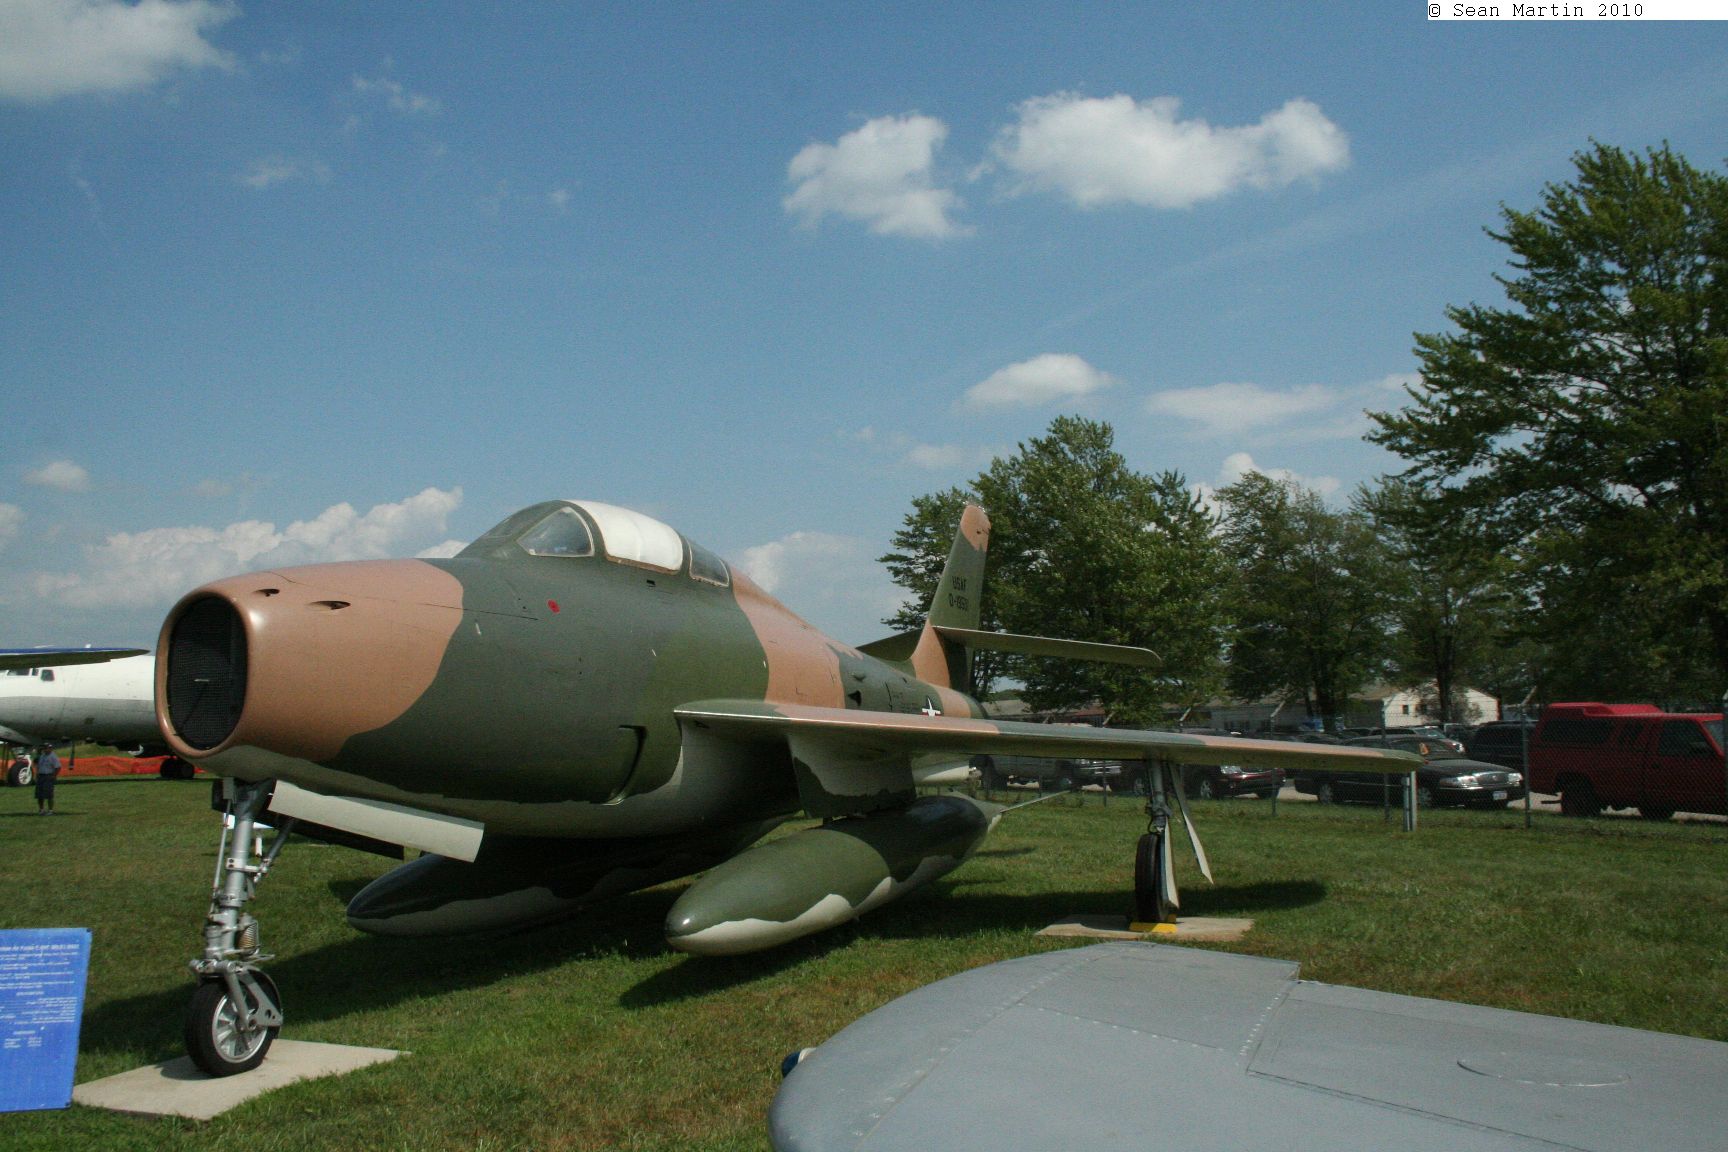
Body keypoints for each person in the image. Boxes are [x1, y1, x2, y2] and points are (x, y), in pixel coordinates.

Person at [34, 745, 62, 814]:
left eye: (47, 748)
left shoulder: (53, 756)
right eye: (44, 748)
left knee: (49, 794)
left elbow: (58, 767)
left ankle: (50, 810)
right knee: (40, 794)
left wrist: (54, 776)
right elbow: (38, 765)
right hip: (41, 776)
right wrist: (37, 774)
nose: (45, 750)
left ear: (50, 749)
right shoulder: (42, 756)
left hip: (48, 776)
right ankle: (41, 810)